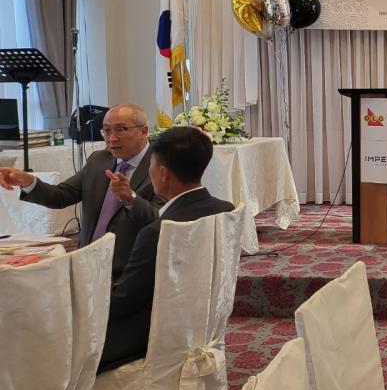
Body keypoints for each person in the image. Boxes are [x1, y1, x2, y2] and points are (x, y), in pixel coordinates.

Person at [100, 125, 233, 372]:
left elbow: (125, 303)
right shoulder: (225, 210)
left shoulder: (156, 233)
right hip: (200, 323)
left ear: (162, 173)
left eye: (150, 165)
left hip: (153, 334)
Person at [0, 104, 163, 279]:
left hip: (130, 272)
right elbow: (60, 196)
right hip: (86, 263)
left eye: (121, 130)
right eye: (106, 131)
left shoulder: (161, 165)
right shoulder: (99, 160)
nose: (112, 138)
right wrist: (27, 181)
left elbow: (161, 222)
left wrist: (130, 198)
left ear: (144, 131)